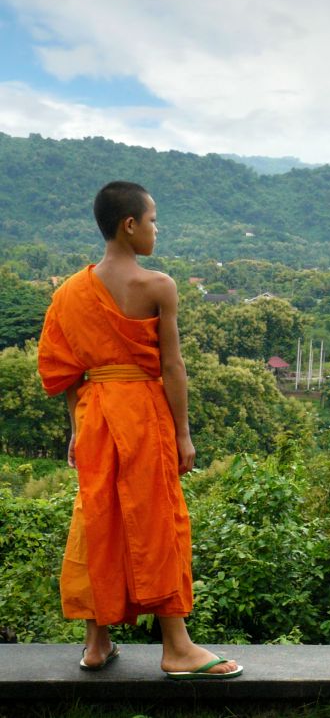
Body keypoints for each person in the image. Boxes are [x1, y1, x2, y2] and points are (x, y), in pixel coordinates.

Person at [37, 181, 241, 680]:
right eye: (152, 220)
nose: (156, 229)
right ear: (129, 225)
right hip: (144, 413)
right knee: (158, 519)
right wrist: (184, 433)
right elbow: (172, 367)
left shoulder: (67, 293)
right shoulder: (158, 285)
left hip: (96, 415)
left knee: (96, 519)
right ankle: (176, 646)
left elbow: (64, 373)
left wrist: (76, 428)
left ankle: (96, 641)